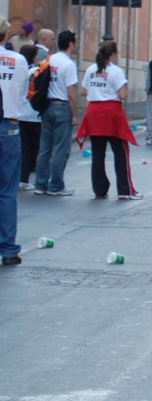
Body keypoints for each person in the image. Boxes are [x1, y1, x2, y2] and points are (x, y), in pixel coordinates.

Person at [76, 41, 142, 200]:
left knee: (98, 154)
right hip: (111, 114)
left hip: (94, 113)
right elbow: (123, 95)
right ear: (112, 54)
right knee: (120, 152)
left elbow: (84, 91)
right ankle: (124, 190)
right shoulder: (116, 71)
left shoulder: (91, 69)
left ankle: (100, 189)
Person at [33, 30, 78, 196]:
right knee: (60, 149)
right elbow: (71, 93)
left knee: (44, 148)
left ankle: (40, 184)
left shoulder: (49, 59)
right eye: (75, 42)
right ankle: (56, 185)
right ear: (71, 44)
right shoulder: (68, 64)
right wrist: (75, 115)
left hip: (47, 106)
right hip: (61, 106)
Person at [0, 15, 28, 265]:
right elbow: (22, 90)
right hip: (8, 125)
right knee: (7, 190)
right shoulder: (17, 60)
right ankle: (8, 248)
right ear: (6, 36)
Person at [18, 45, 41, 191]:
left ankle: (22, 178)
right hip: (34, 114)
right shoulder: (36, 72)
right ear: (32, 56)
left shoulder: (19, 70)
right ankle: (29, 177)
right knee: (35, 148)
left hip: (20, 112)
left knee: (24, 148)